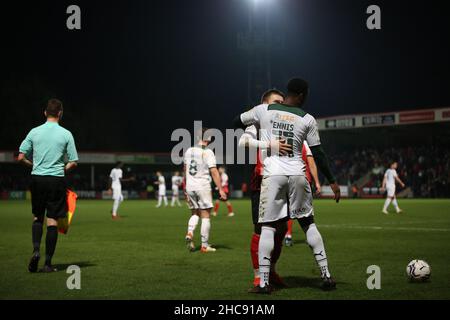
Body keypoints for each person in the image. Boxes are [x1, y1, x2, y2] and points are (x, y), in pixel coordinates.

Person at [234, 78, 340, 294]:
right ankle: (326, 276)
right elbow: (318, 153)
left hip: (273, 174)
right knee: (308, 224)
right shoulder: (308, 118)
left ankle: (263, 283)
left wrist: (261, 125)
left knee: (268, 228)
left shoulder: (265, 109)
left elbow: (236, 121)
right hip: (298, 173)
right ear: (302, 95)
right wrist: (332, 180)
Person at [17, 98, 78, 273]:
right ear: (60, 113)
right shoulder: (66, 134)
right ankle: (47, 264)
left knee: (37, 217)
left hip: (37, 178)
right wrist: (62, 169)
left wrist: (34, 166)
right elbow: (73, 162)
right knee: (52, 221)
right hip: (56, 180)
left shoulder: (34, 132)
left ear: (45, 113)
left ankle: (36, 251)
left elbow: (20, 157)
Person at [238, 88, 288, 288]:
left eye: (282, 102)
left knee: (282, 229)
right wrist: (270, 144)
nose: (280, 105)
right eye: (276, 101)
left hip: (284, 181)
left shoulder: (285, 122)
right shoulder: (256, 121)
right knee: (261, 230)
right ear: (264, 105)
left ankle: (272, 270)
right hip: (262, 181)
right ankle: (259, 275)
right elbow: (243, 143)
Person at [184, 129, 227, 253]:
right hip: (202, 186)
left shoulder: (188, 150)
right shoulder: (208, 152)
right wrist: (220, 189)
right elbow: (214, 171)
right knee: (206, 215)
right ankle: (204, 245)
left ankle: (190, 233)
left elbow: (185, 169)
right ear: (208, 138)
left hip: (190, 186)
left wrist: (186, 189)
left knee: (194, 213)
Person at [284, 141, 321, 246]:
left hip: (288, 179)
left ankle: (288, 235)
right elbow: (311, 163)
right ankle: (311, 238)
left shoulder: (284, 141)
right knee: (306, 211)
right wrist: (317, 182)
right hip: (303, 179)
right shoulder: (304, 143)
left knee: (289, 210)